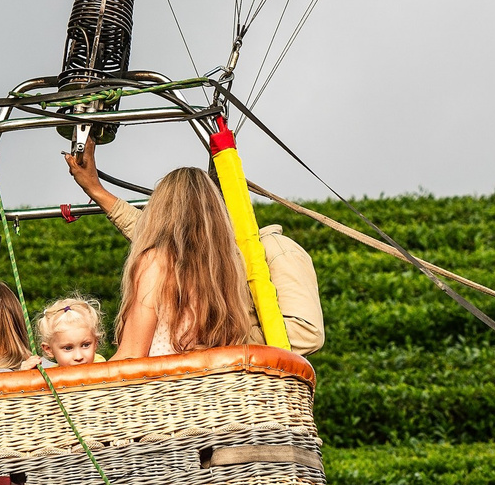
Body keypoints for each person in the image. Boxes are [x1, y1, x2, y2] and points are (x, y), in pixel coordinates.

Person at [65, 143, 325, 355]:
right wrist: (95, 189)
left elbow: (306, 334)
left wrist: (227, 339)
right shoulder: (190, 256)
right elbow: (154, 232)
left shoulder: (275, 249)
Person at [35, 294, 106, 366]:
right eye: (68, 348)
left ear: (96, 343)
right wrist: (26, 374)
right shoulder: (48, 375)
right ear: (49, 349)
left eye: (85, 345)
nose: (79, 357)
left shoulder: (103, 368)